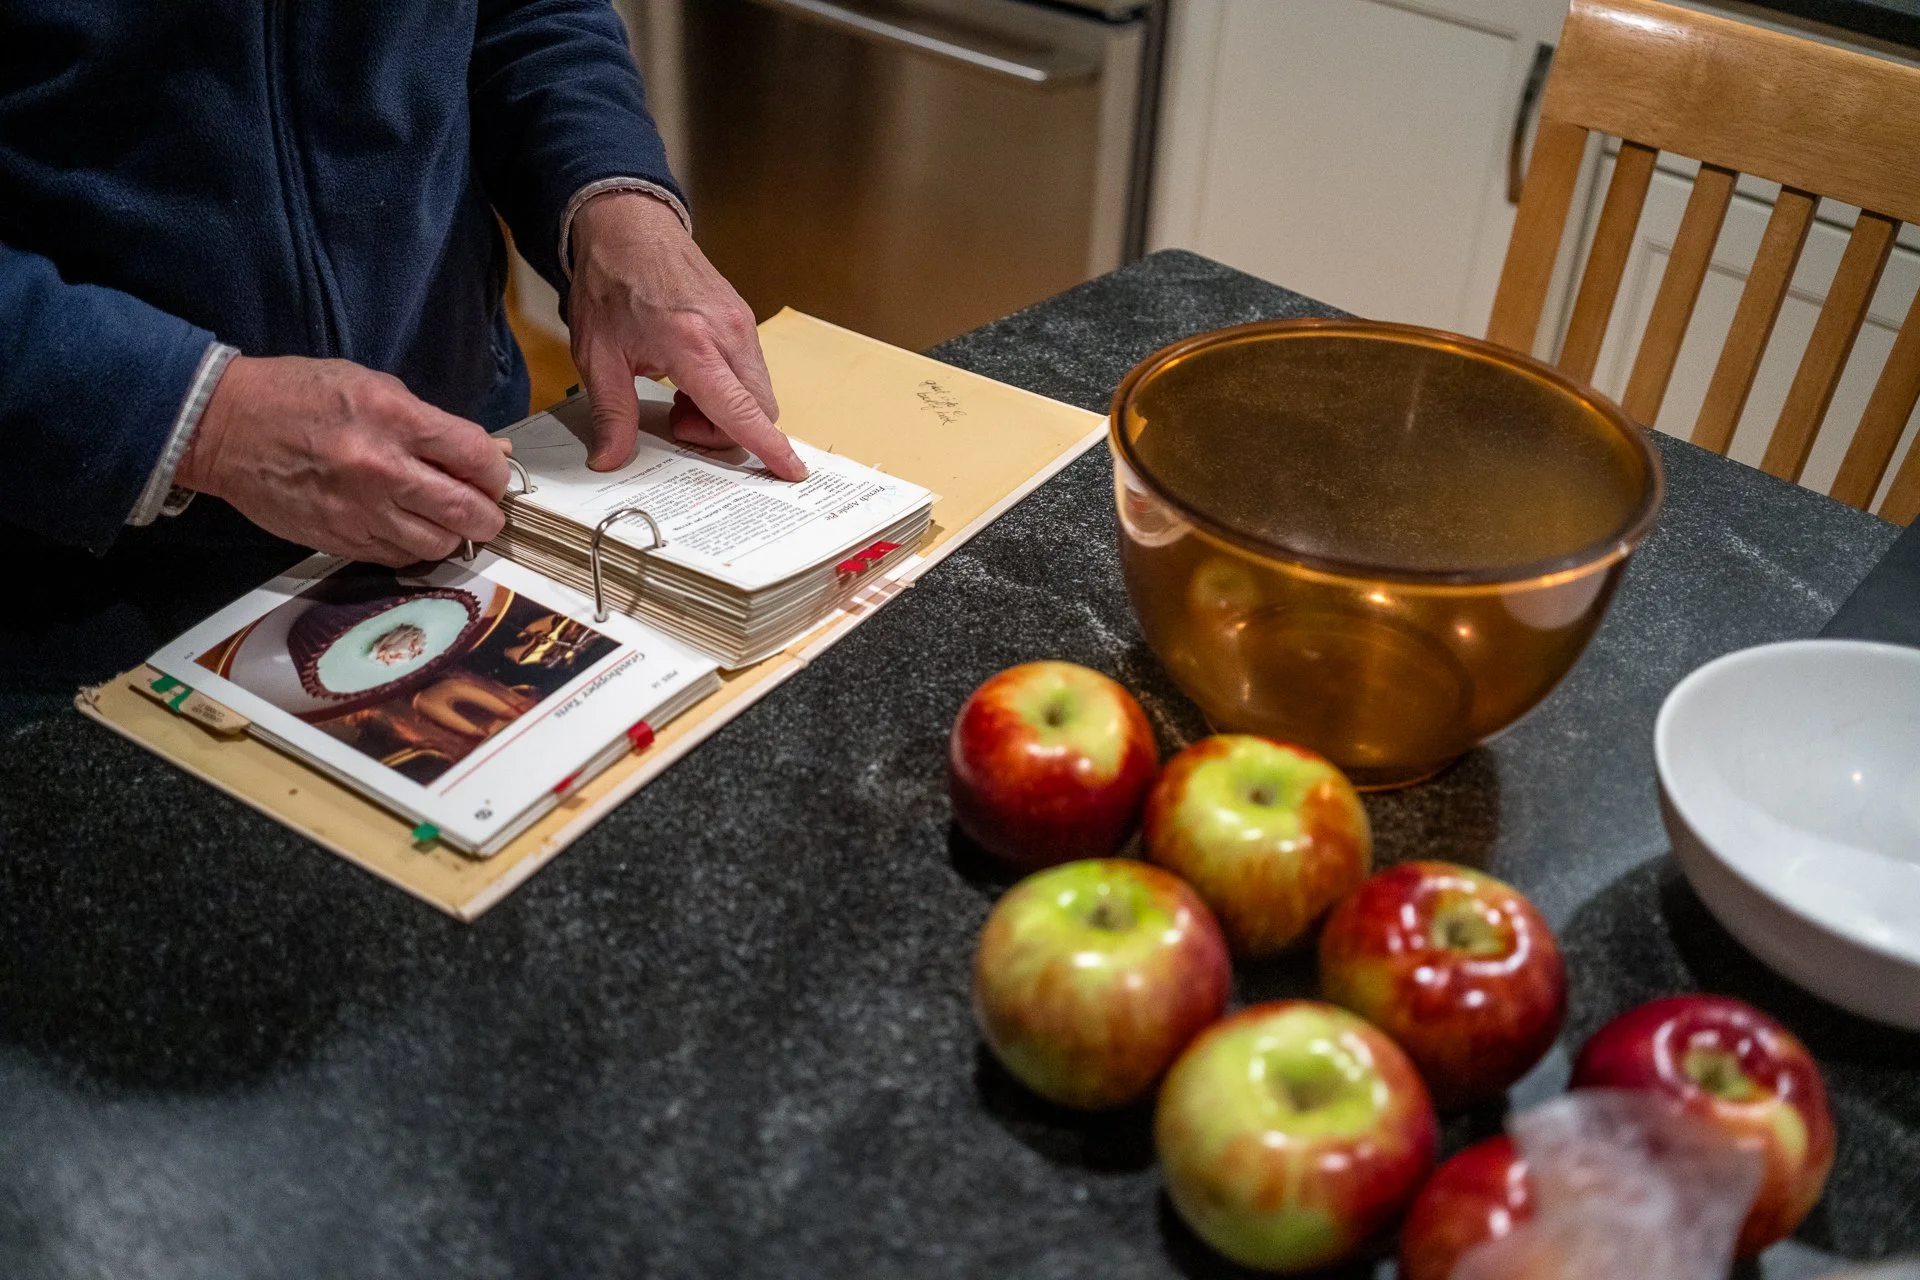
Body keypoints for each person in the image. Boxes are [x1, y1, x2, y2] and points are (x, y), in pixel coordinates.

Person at [1, 1, 802, 722]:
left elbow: (528, 13)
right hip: (77, 586)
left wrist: (612, 197)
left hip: (466, 492)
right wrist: (202, 420)